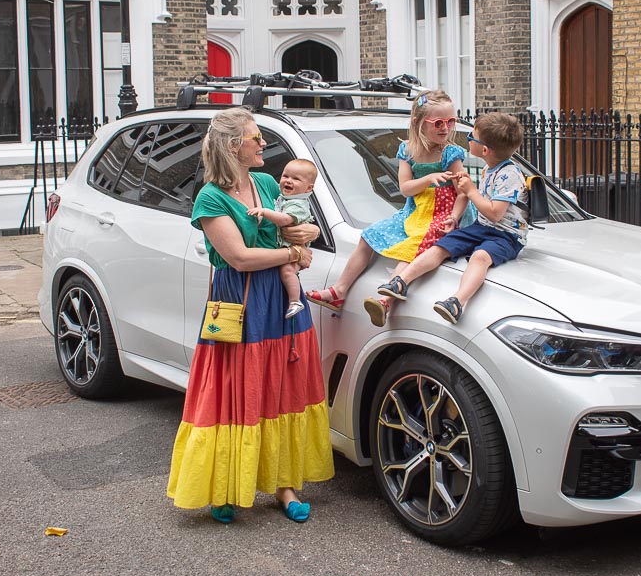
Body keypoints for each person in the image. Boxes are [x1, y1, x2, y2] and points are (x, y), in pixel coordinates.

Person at [167, 108, 334, 525]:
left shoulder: (264, 182)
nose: (263, 144)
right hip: (240, 303)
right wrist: (296, 253)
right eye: (255, 137)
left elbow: (300, 224)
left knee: (280, 386)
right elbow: (240, 259)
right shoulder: (210, 197)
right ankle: (225, 486)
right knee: (235, 390)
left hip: (281, 298)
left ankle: (284, 485)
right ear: (232, 146)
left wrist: (306, 235)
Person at [305, 90, 467, 327]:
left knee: (411, 249)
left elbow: (463, 193)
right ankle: (339, 290)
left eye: (451, 122)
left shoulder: (451, 153)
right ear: (418, 123)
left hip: (442, 214)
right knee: (368, 237)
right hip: (414, 213)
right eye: (438, 123)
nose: (446, 128)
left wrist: (454, 217)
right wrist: (428, 178)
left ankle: (384, 302)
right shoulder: (408, 151)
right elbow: (405, 188)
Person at [375, 111, 528, 324]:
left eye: (471, 138)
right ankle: (401, 282)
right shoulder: (490, 167)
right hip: (481, 228)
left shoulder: (509, 174)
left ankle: (457, 301)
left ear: (484, 150)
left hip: (506, 236)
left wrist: (471, 191)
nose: (467, 140)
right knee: (440, 246)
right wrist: (455, 218)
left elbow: (495, 214)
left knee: (480, 257)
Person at [247, 158, 319, 320]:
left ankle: (295, 301)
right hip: (285, 251)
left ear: (308, 187)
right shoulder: (283, 198)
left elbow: (285, 220)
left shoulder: (298, 204)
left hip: (293, 248)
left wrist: (264, 211)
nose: (288, 180)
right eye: (285, 176)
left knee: (287, 271)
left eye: (296, 178)